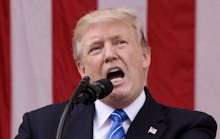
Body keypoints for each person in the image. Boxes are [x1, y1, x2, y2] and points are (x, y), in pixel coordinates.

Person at [15, 8, 217, 139]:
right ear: (82, 69)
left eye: (120, 42)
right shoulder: (41, 128)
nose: (110, 55)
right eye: (96, 48)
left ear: (144, 56)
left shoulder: (189, 128)